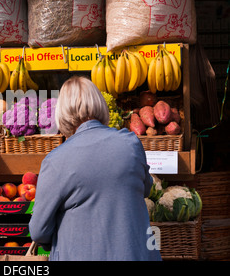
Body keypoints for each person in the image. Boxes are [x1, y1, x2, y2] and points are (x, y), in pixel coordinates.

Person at [29, 76, 162, 261]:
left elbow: (38, 231)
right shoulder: (131, 143)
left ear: (63, 113)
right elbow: (146, 188)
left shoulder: (56, 160)